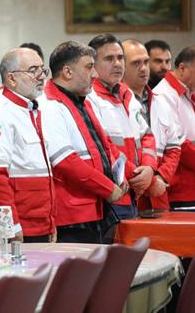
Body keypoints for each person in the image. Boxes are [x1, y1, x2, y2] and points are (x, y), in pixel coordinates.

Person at [38, 41, 124, 243]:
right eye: (89, 67)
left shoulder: (81, 100)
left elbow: (103, 146)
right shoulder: (49, 105)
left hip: (95, 207)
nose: (95, 74)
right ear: (68, 72)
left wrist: (119, 174)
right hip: (73, 214)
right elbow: (65, 161)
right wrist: (107, 188)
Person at [0, 48, 55, 243]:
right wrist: (11, 225)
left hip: (41, 223)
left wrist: (51, 222)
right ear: (11, 78)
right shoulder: (0, 112)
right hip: (20, 228)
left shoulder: (31, 110)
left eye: (42, 70)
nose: (41, 76)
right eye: (33, 70)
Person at [86, 34, 155, 220]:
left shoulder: (127, 94)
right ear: (93, 64)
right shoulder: (89, 97)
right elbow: (104, 145)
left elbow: (147, 136)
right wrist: (136, 175)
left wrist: (149, 169)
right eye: (109, 58)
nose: (117, 64)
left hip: (132, 194)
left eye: (120, 57)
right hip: (110, 196)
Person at [122, 40, 181, 209]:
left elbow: (174, 148)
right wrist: (148, 181)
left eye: (146, 62)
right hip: (131, 191)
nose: (143, 68)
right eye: (136, 63)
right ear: (122, 67)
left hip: (158, 194)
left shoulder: (161, 102)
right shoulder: (114, 103)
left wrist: (161, 177)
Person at [151, 45, 195, 209]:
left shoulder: (187, 93)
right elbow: (179, 145)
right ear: (182, 68)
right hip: (180, 188)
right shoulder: (164, 94)